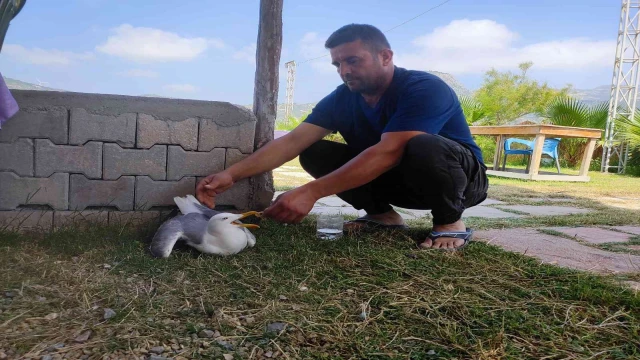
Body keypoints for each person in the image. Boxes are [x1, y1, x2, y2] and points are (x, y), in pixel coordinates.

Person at [196, 24, 488, 250]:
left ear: (385, 56)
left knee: (421, 144)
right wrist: (231, 175)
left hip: (459, 182)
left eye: (352, 61)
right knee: (314, 151)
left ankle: (450, 223)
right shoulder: (343, 98)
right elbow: (293, 141)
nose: (344, 71)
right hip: (399, 181)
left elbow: (390, 151)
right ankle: (383, 217)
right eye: (337, 64)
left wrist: (310, 192)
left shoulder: (423, 88)